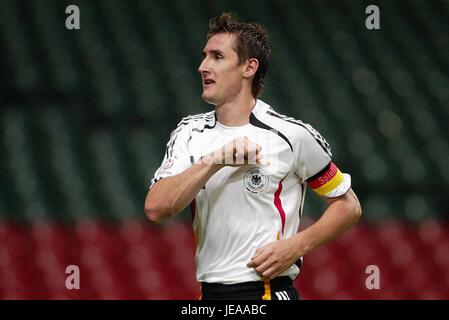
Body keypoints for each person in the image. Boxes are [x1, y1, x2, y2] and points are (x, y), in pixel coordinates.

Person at [144, 12, 362, 300]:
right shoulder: (189, 132)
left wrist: (296, 246)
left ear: (249, 67)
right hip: (209, 296)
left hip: (267, 291)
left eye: (217, 57)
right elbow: (156, 209)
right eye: (204, 56)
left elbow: (348, 206)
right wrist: (215, 161)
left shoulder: (291, 135)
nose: (202, 67)